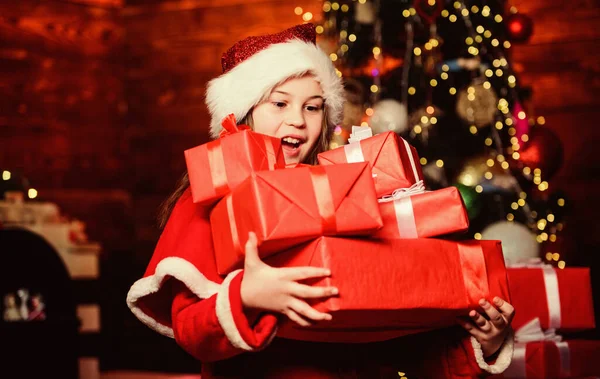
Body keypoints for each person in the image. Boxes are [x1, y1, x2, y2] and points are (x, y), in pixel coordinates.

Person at [127, 23, 514, 378]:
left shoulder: (346, 196)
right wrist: (246, 296)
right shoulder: (208, 201)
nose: (298, 120)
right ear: (242, 112)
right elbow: (192, 330)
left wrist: (485, 341)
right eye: (279, 103)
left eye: (312, 107)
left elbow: (401, 333)